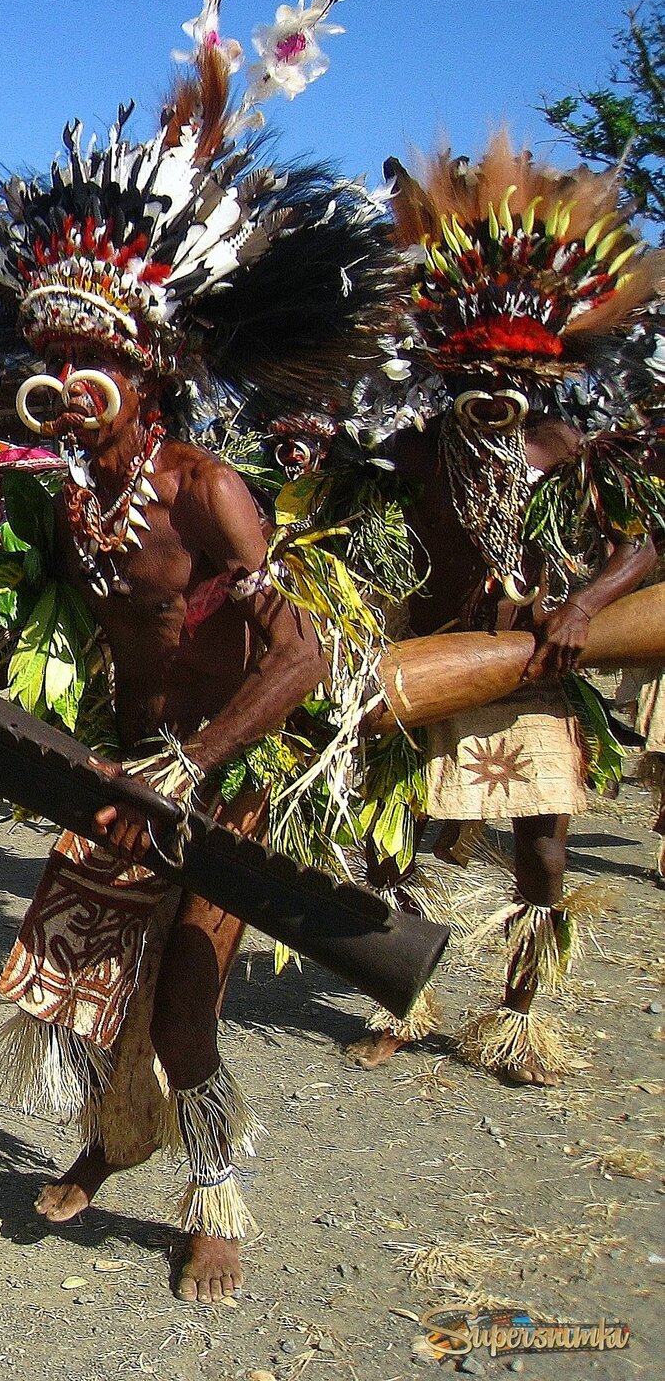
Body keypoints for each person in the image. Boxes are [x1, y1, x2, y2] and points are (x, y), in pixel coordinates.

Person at [0, 0, 425, 1302]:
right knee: (89, 1001)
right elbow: (36, 598)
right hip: (113, 772)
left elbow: (296, 649)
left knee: (190, 1015)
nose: (65, 388)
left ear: (147, 374)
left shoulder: (210, 488)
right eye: (53, 361)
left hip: (220, 780)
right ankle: (110, 1142)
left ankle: (217, 1197)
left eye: (91, 363)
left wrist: (196, 759)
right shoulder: (63, 490)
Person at [338, 136, 664, 1084]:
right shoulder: (409, 450)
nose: (495, 400)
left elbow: (649, 532)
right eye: (478, 380)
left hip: (530, 669)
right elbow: (337, 525)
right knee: (387, 842)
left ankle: (518, 1015)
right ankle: (403, 995)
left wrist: (582, 605)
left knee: (543, 850)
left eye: (513, 384)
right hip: (428, 660)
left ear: (542, 374)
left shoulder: (564, 445)